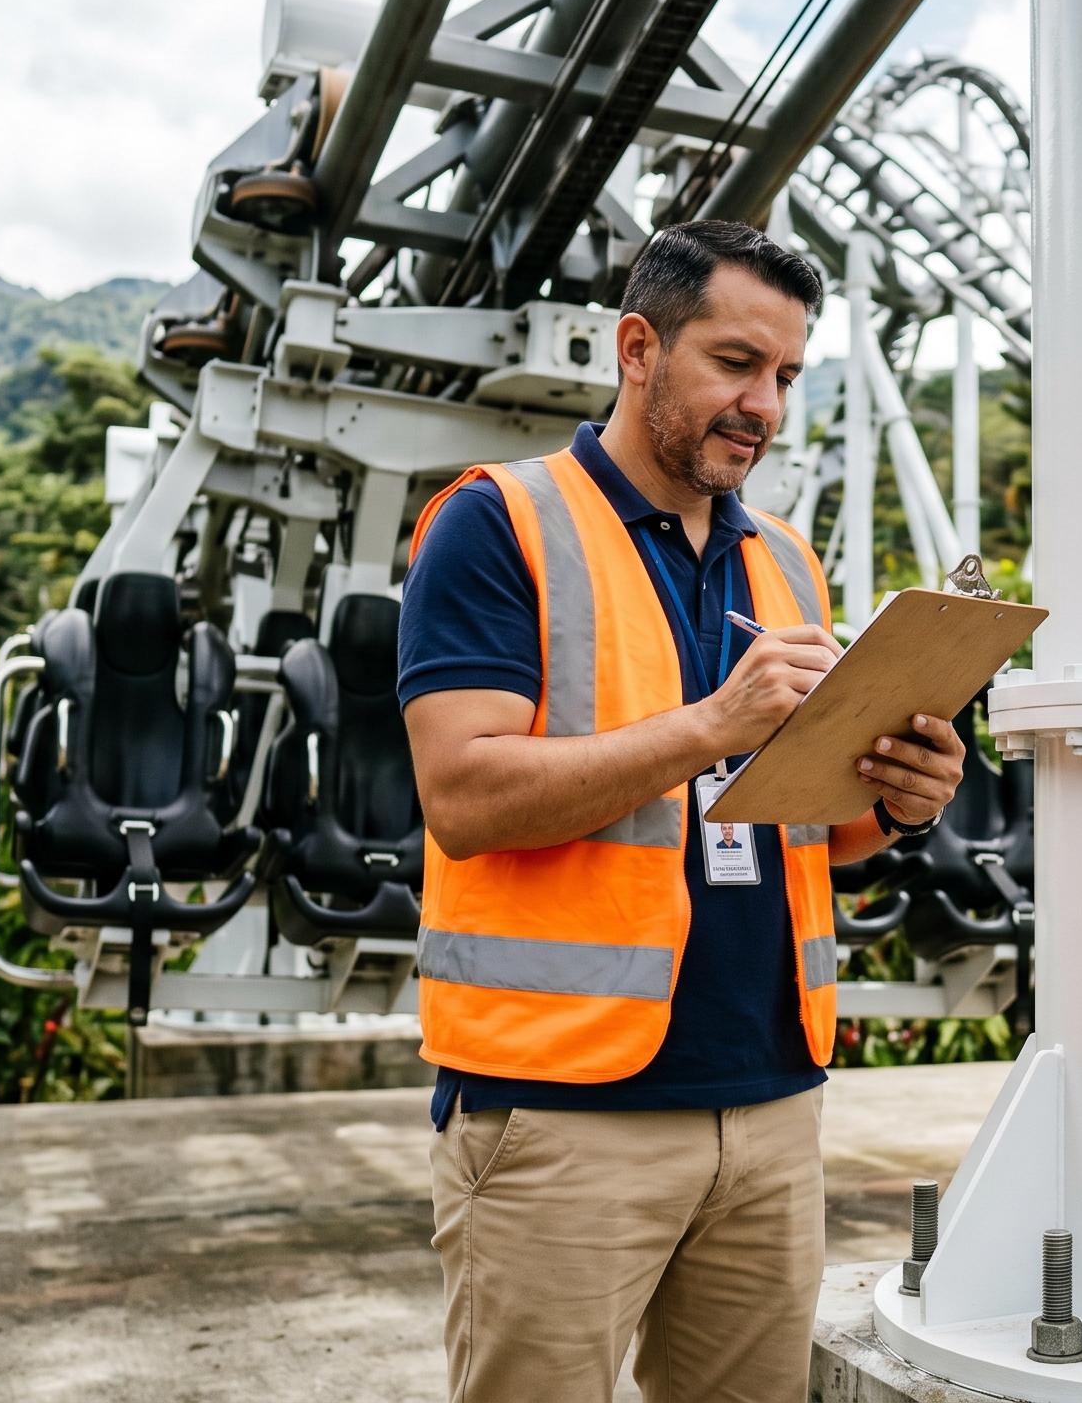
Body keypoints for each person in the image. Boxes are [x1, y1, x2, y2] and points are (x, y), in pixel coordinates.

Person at [399, 219, 967, 1403]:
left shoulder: (790, 566)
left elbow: (806, 827)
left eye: (787, 376)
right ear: (638, 347)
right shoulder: (497, 523)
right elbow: (461, 797)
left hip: (768, 1103)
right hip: (561, 1116)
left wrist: (900, 803)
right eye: (734, 362)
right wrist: (710, 725)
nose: (763, 403)